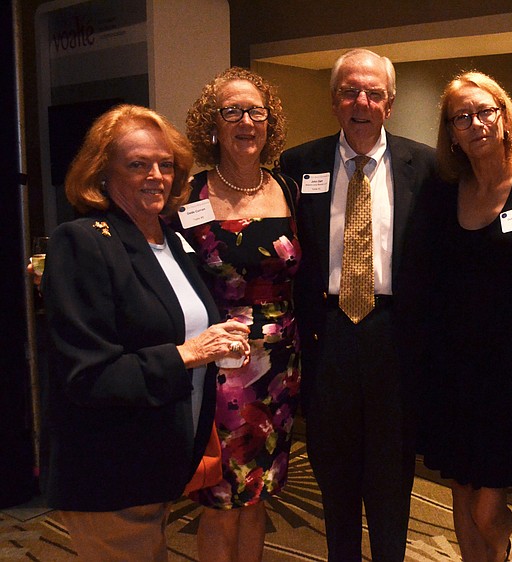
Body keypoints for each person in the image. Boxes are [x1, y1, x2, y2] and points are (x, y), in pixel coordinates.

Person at [42, 104, 250, 561]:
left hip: (158, 463)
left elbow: (169, 323)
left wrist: (218, 336)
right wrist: (188, 353)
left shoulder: (172, 240)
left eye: (165, 164)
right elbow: (88, 375)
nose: (156, 175)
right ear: (101, 173)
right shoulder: (80, 242)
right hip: (111, 469)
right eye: (137, 164)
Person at [279, 49, 437, 561]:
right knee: (333, 470)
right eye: (349, 92)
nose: (361, 102)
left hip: (396, 334)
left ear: (389, 103)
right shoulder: (298, 164)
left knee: (392, 475)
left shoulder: (429, 166)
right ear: (333, 101)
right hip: (328, 333)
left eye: (373, 93)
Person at [412, 71, 512, 562]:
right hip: (454, 366)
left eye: (484, 112)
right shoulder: (444, 189)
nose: (475, 124)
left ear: (504, 115)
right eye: (462, 117)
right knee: (459, 488)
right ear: (451, 131)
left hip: (510, 370)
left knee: (487, 503)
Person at [181, 66, 300, 562]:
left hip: (281, 365)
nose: (245, 121)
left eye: (255, 111)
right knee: (220, 499)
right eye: (232, 111)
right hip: (221, 365)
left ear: (269, 123)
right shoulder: (189, 194)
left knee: (259, 493)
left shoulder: (288, 189)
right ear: (214, 124)